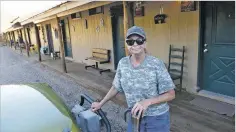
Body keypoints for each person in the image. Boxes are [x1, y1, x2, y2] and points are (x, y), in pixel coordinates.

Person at [91, 26, 175, 132]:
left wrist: (147, 102)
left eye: (139, 41)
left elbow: (171, 94)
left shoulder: (156, 64)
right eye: (130, 41)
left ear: (145, 43)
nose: (135, 44)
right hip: (134, 115)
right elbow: (115, 87)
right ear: (126, 44)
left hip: (156, 118)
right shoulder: (123, 63)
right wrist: (100, 103)